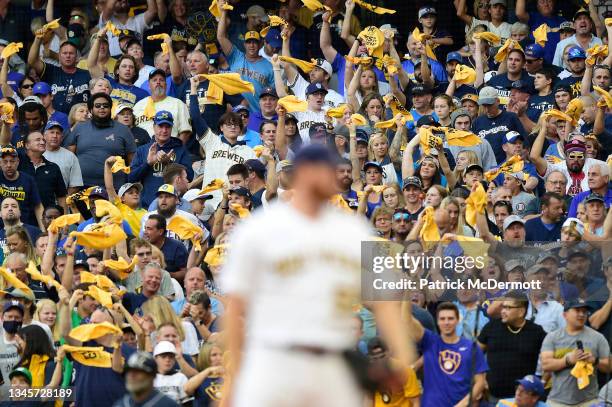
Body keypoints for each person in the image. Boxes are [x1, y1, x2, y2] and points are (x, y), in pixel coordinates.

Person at [223, 145, 414, 405]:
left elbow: (384, 300)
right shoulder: (259, 228)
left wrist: (402, 359)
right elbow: (235, 307)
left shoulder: (355, 230)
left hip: (333, 361)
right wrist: (236, 370)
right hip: (273, 358)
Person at [403, 300, 488, 406]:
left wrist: (462, 404)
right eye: (442, 319)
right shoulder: (430, 341)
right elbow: (406, 320)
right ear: (437, 322)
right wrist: (406, 290)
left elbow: (480, 383)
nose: (446, 322)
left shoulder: (471, 347)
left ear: (458, 320)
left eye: (450, 318)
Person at [478, 291, 546, 402]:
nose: (503, 311)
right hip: (493, 397)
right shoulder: (492, 326)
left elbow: (550, 356)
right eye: (503, 307)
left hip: (523, 400)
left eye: (508, 307)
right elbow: (475, 354)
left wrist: (542, 382)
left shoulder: (536, 331)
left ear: (521, 311)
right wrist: (480, 380)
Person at [541, 299, 610, 406]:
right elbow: (546, 365)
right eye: (577, 311)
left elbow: (609, 366)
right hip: (557, 401)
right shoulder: (552, 337)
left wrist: (594, 360)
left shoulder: (598, 337)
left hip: (588, 401)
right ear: (565, 315)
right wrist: (567, 360)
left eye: (584, 311)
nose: (582, 314)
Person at [65, 92, 136, 188]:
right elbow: (69, 157)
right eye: (97, 106)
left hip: (114, 187)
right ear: (91, 110)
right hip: (81, 186)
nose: (102, 108)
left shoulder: (123, 130)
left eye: (105, 106)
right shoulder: (80, 128)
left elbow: (133, 161)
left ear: (110, 109)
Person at [216, 0, 274, 112]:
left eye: (255, 42)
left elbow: (273, 96)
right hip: (236, 115)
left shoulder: (269, 66)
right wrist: (223, 12)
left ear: (261, 44)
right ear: (244, 44)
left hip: (258, 115)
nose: (252, 45)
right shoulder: (236, 56)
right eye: (249, 42)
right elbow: (221, 37)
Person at [128, 110, 193, 207]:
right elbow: (131, 178)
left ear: (172, 128)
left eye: (167, 127)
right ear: (154, 127)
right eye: (160, 126)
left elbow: (189, 176)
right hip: (148, 206)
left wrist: (169, 164)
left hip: (173, 207)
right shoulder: (143, 149)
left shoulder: (180, 149)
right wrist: (148, 163)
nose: (164, 130)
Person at [27, 37, 91, 114]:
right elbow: (32, 61)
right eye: (65, 53)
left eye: (71, 53)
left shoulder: (86, 74)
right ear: (59, 56)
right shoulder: (51, 71)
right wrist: (37, 39)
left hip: (81, 120)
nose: (68, 56)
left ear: (76, 57)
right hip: (55, 121)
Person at [133, 69, 192, 143]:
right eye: (154, 80)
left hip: (169, 149)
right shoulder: (138, 106)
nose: (158, 82)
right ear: (148, 85)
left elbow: (185, 132)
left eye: (161, 80)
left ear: (166, 85)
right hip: (143, 150)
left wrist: (176, 151)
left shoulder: (178, 104)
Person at [472, 86, 527, 164]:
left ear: (498, 101)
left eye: (490, 105)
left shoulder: (511, 117)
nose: (487, 109)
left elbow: (525, 142)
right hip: (487, 167)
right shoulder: (477, 122)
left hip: (510, 165)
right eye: (484, 105)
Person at [18, 130, 67, 211]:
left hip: (47, 218)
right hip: (22, 217)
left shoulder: (53, 167)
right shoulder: (18, 163)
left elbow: (61, 197)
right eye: (38, 140)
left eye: (43, 140)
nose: (42, 142)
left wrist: (64, 220)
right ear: (27, 145)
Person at [113, 351, 178, 407]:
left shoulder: (168, 405)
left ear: (152, 375)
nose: (131, 376)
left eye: (137, 371)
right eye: (128, 371)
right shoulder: (120, 404)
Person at [0, 146, 44, 230]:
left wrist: (43, 231)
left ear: (18, 162)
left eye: (12, 161)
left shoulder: (28, 180)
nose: (9, 165)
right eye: (5, 162)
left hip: (23, 229)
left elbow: (38, 206)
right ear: (0, 163)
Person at [42, 120, 83, 194]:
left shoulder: (70, 156)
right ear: (44, 136)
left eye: (58, 133)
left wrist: (63, 200)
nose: (55, 136)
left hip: (62, 201)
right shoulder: (37, 153)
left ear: (62, 137)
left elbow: (75, 185)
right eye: (52, 132)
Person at [0, 300, 24, 401]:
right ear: (2, 318)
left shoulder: (27, 342)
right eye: (9, 317)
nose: (13, 320)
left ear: (22, 319)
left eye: (17, 317)